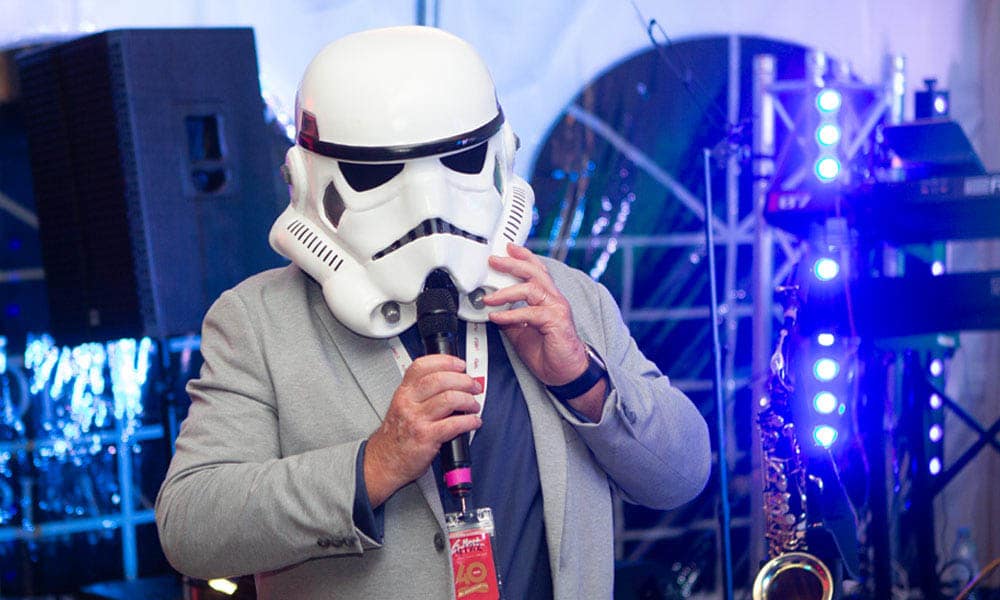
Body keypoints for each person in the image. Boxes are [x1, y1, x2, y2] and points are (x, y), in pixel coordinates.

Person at [155, 25, 710, 600]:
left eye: (460, 161)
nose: (428, 202)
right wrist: (374, 465)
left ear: (501, 155)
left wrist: (583, 380)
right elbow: (191, 526)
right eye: (376, 173)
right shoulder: (259, 322)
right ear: (306, 179)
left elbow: (682, 473)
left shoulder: (563, 299)